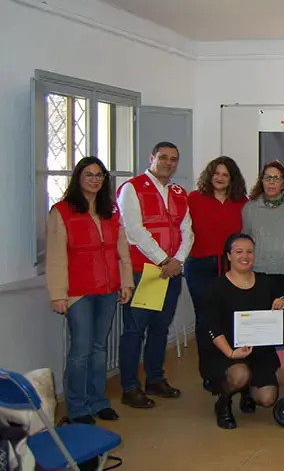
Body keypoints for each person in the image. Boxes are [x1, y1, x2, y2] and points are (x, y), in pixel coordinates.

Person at [46, 157, 134, 424]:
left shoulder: (111, 211)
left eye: (99, 175)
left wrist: (126, 282)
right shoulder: (62, 211)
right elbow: (56, 256)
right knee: (81, 349)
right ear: (78, 178)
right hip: (78, 292)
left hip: (108, 290)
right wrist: (58, 294)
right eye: (89, 174)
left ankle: (98, 401)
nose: (95, 179)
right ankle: (77, 407)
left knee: (99, 348)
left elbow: (122, 252)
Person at [117, 141, 194, 408]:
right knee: (135, 331)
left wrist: (179, 261)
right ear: (151, 158)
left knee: (160, 329)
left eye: (174, 159)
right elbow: (134, 231)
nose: (168, 163)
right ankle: (129, 386)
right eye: (163, 157)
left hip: (171, 272)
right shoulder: (132, 188)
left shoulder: (178, 192)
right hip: (144, 272)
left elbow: (188, 230)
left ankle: (155, 379)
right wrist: (164, 260)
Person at [202, 234, 284, 429]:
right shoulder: (216, 287)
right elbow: (212, 326)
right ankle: (223, 402)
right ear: (228, 256)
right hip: (226, 351)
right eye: (239, 252)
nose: (245, 256)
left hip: (259, 351)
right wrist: (231, 353)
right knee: (239, 374)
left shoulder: (265, 281)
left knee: (268, 399)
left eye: (249, 252)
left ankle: (246, 392)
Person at [186, 156, 248, 392]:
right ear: (209, 175)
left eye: (225, 175)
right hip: (200, 266)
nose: (220, 178)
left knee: (231, 319)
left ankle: (234, 369)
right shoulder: (193, 199)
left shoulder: (242, 202)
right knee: (206, 321)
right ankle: (210, 374)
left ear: (232, 179)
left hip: (230, 268)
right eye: (217, 173)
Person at [242, 161, 284, 392]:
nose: (271, 182)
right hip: (258, 277)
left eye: (276, 178)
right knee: (259, 332)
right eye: (267, 177)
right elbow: (244, 242)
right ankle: (257, 381)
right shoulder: (250, 209)